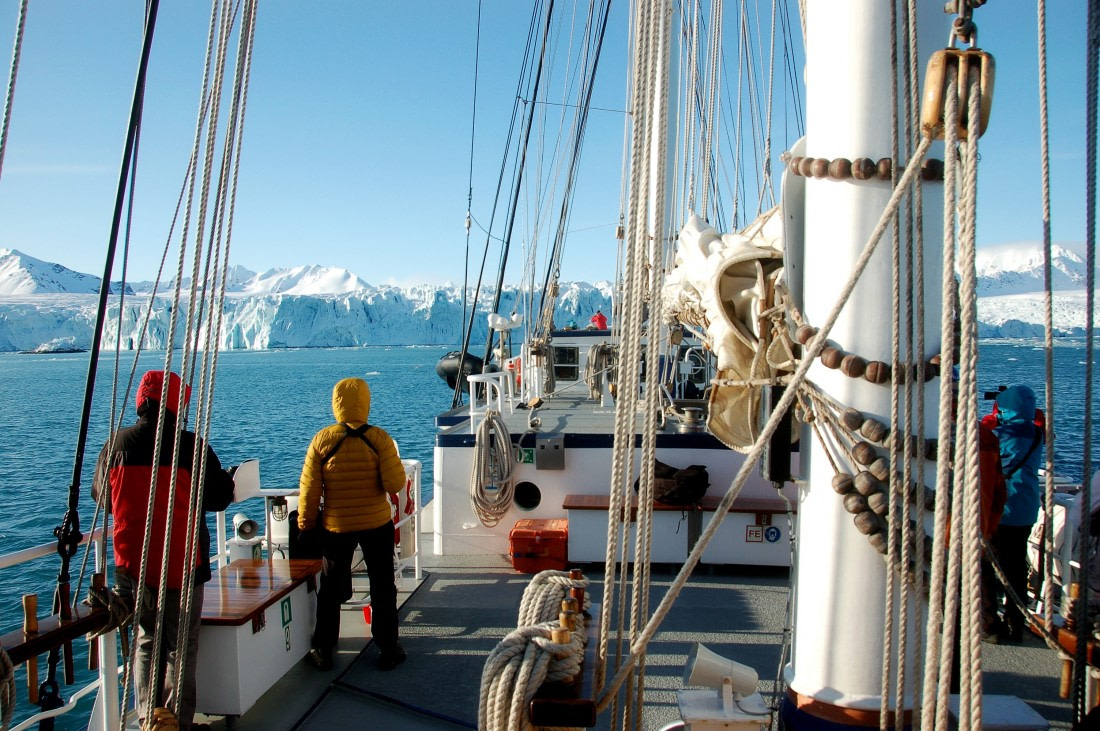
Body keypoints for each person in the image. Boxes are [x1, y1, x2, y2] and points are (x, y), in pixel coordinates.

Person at [93, 370, 235, 731]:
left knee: (145, 641)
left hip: (132, 566)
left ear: (142, 400)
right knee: (180, 648)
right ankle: (176, 725)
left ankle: (146, 719)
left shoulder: (116, 445)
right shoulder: (192, 447)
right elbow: (218, 498)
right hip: (182, 563)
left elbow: (102, 497)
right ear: (176, 404)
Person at [298, 377, 408, 671]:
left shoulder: (322, 440)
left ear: (336, 404)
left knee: (331, 589)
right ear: (366, 402)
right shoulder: (379, 438)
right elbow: (395, 483)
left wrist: (306, 524)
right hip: (376, 524)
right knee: (383, 585)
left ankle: (324, 648)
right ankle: (388, 648)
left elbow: (309, 491)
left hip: (337, 526)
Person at [983, 384, 1043, 643]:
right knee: (1016, 568)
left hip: (1000, 510)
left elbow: (982, 445)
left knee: (985, 564)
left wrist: (993, 419)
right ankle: (1015, 623)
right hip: (1026, 510)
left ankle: (989, 624)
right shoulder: (1038, 434)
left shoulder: (998, 434)